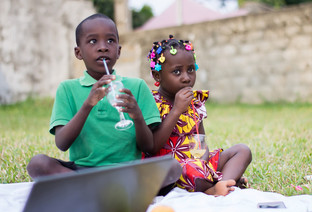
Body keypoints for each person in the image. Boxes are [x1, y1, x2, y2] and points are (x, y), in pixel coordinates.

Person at [26, 14, 178, 182]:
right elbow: (62, 143)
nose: (103, 47)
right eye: (93, 41)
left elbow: (148, 146)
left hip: (127, 170)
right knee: (38, 164)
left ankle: (92, 191)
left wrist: (137, 116)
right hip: (83, 171)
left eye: (110, 41)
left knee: (172, 167)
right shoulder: (67, 89)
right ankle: (108, 191)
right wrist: (87, 105)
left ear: (119, 51)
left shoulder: (137, 86)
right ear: (78, 52)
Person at [144, 35, 252, 196]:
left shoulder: (195, 103)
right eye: (177, 71)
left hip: (196, 165)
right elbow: (153, 145)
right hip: (170, 169)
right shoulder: (152, 103)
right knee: (189, 168)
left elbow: (200, 141)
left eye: (190, 70)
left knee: (242, 151)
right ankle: (212, 188)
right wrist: (176, 110)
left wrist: (203, 160)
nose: (186, 78)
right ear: (157, 76)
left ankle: (223, 184)